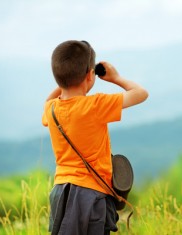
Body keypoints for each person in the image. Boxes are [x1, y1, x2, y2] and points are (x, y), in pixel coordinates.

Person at [42, 40, 148, 235]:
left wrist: (63, 83)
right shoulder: (95, 105)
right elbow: (141, 93)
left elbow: (48, 100)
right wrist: (115, 78)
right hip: (91, 196)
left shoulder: (52, 109)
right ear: (90, 76)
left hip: (61, 194)